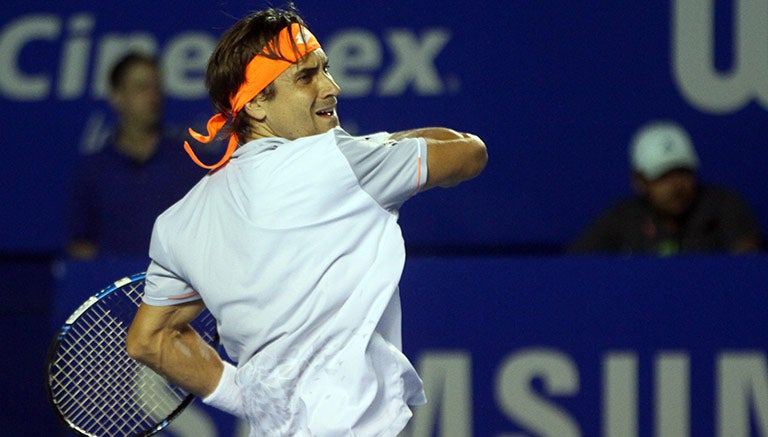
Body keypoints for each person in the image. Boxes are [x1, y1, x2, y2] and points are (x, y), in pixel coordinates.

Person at [125, 5, 487, 436]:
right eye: (306, 77)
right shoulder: (339, 162)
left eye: (326, 69)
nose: (331, 87)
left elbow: (150, 339)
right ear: (257, 102)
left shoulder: (177, 224)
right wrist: (383, 145)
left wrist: (244, 396)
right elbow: (469, 152)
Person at [64, 52, 205, 259]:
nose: (153, 96)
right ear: (117, 97)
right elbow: (78, 244)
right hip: (114, 286)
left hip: (175, 286)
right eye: (141, 87)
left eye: (156, 87)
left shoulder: (189, 163)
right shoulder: (92, 170)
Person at [569, 120, 761, 255]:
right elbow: (575, 268)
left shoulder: (723, 205)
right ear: (640, 182)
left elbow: (747, 270)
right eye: (664, 176)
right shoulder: (623, 219)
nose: (677, 186)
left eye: (684, 172)